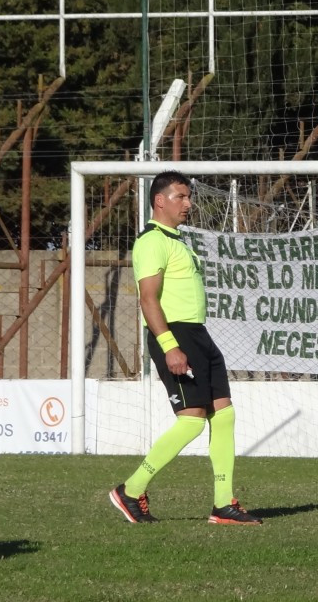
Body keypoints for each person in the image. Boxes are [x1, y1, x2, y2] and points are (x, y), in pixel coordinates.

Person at [108, 170, 261, 526]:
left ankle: (223, 504)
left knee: (223, 414)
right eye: (181, 196)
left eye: (189, 197)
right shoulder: (151, 241)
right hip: (175, 336)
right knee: (192, 421)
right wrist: (170, 347)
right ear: (159, 200)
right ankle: (131, 489)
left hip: (198, 334)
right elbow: (148, 299)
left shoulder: (177, 240)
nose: (188, 203)